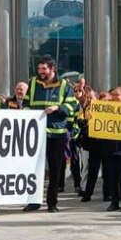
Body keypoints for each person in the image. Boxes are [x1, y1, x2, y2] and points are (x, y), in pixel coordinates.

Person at [25, 57, 79, 213]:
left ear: (52, 69)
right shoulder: (33, 83)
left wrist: (58, 107)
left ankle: (52, 203)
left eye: (44, 69)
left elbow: (73, 106)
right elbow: (27, 104)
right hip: (36, 134)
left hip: (57, 134)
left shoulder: (64, 85)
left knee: (55, 170)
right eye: (39, 69)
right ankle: (33, 202)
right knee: (34, 169)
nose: (40, 72)